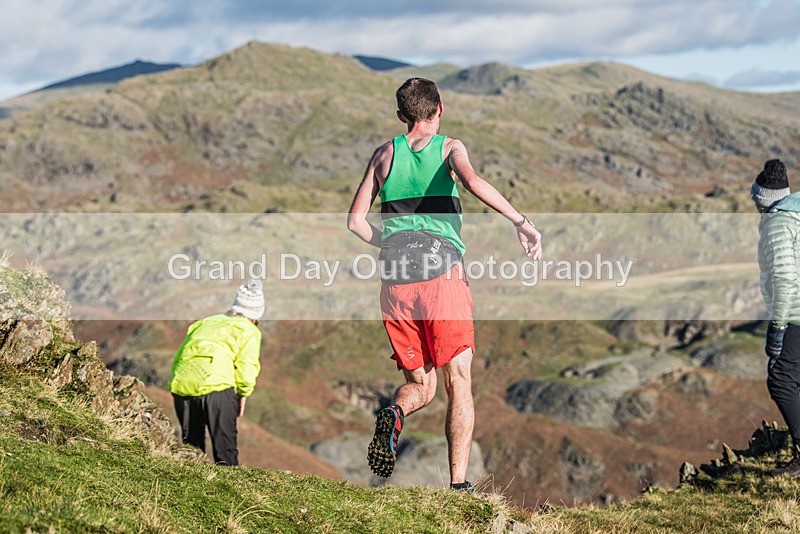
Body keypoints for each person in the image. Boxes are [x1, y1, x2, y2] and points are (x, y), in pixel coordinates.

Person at [347, 77, 542, 491]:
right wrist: (521, 222)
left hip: (395, 278)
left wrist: (396, 243)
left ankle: (396, 413)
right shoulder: (450, 147)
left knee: (422, 385)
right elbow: (472, 182)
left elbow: (355, 221)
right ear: (440, 108)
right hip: (441, 273)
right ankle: (457, 486)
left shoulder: (385, 154)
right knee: (458, 381)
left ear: (402, 116)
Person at [168, 279, 264, 466]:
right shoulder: (249, 330)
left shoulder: (205, 322)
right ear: (254, 316)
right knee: (225, 452)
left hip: (182, 386)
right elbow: (247, 366)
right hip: (216, 389)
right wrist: (242, 394)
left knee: (191, 450)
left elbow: (181, 353)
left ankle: (189, 490)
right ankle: (230, 494)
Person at [752, 159, 800, 476]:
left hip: (796, 315)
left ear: (762, 199)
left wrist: (777, 327)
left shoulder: (778, 225)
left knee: (781, 380)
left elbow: (785, 279)